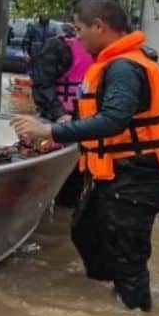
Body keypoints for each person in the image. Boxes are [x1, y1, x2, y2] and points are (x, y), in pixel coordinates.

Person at [11, 0, 159, 311]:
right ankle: (105, 302)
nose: (77, 37)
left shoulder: (125, 68)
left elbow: (113, 120)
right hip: (114, 175)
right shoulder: (114, 64)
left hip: (136, 178)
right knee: (85, 231)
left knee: (128, 259)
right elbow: (98, 117)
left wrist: (50, 130)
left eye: (79, 29)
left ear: (98, 26)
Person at [29, 23, 94, 207]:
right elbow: (42, 85)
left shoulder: (108, 56)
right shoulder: (58, 48)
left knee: (78, 184)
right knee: (49, 179)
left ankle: (66, 217)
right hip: (57, 122)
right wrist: (60, 115)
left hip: (88, 124)